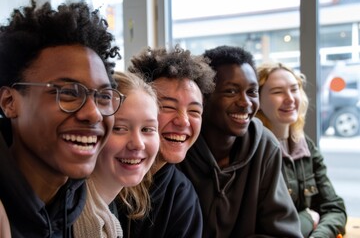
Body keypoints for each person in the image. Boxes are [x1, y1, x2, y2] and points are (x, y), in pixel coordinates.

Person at [0, 1, 121, 237]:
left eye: (104, 96)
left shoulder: (94, 213)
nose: (94, 113)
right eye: (68, 93)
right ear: (9, 103)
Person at [177, 45, 302, 238]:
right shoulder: (178, 147)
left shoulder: (264, 146)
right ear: (203, 97)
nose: (245, 102)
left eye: (252, 92)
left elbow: (284, 233)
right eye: (231, 91)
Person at [115, 45, 216, 238]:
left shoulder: (181, 197)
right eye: (167, 106)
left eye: (194, 111)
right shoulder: (101, 176)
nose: (183, 121)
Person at [256, 62, 347, 238]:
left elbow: (334, 208)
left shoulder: (306, 146)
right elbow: (265, 229)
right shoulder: (254, 151)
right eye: (277, 91)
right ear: (257, 100)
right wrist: (307, 219)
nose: (290, 98)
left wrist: (318, 235)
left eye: (294, 89)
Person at [74, 71, 160, 238]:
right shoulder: (65, 216)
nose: (138, 144)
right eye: (119, 128)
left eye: (147, 129)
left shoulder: (108, 213)